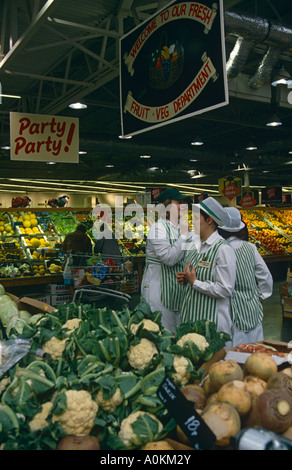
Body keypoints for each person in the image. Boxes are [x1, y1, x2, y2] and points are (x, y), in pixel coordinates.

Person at [177, 197, 236, 341]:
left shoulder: (223, 249)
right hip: (191, 319)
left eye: (196, 218)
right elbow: (192, 276)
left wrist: (195, 282)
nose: (192, 222)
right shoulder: (193, 246)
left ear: (209, 220)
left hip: (212, 323)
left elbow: (225, 289)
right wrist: (185, 278)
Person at [218, 206, 273, 346]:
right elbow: (265, 277)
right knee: (256, 350)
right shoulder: (251, 248)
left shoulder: (220, 250)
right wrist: (260, 296)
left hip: (231, 312)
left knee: (236, 354)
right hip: (253, 310)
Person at [141, 187, 193, 331]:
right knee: (161, 332)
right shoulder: (157, 229)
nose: (183, 206)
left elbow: (193, 252)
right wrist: (184, 235)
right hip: (158, 291)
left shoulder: (182, 227)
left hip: (177, 291)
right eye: (179, 202)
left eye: (184, 202)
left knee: (177, 333)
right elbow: (169, 258)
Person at [62, 224, 93, 290]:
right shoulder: (86, 238)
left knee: (70, 281)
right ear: (84, 231)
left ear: (76, 229)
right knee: (80, 281)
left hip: (70, 261)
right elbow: (90, 254)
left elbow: (63, 250)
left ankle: (73, 295)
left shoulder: (69, 236)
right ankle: (80, 294)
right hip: (81, 263)